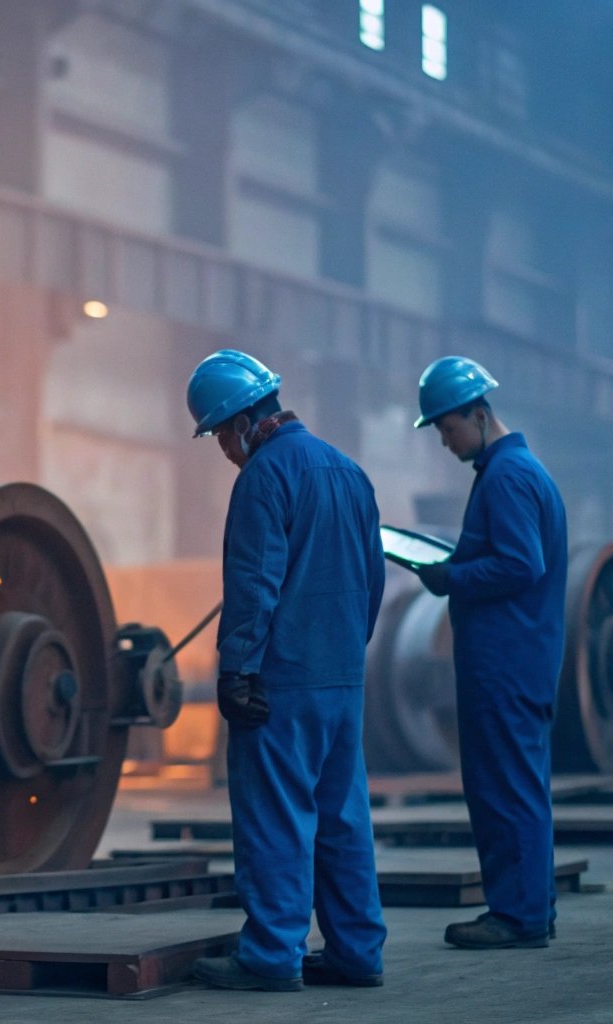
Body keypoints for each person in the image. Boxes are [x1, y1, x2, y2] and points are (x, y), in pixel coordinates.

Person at [185, 349, 388, 992]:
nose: (222, 448)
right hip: (342, 680)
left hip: (281, 683)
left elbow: (254, 584)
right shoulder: (350, 472)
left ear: (242, 421)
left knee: (276, 819)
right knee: (342, 819)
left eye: (219, 433)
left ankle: (272, 957)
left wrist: (237, 670)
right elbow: (374, 581)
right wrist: (349, 656)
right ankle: (358, 954)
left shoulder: (264, 477)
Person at [411, 356, 568, 950]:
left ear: (479, 414)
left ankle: (518, 916)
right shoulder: (517, 472)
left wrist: (451, 576)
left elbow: (519, 564)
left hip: (507, 663)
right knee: (517, 784)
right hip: (515, 659)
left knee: (505, 788)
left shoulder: (506, 476)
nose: (446, 442)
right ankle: (531, 908)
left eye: (448, 429)